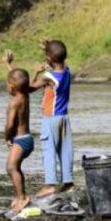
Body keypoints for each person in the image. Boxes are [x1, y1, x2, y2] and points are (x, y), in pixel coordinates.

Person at [31, 40, 73, 198]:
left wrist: (36, 72)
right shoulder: (68, 71)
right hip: (64, 117)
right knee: (65, 150)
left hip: (51, 118)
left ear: (48, 59)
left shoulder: (48, 76)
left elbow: (29, 87)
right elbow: (60, 60)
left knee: (49, 150)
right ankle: (68, 183)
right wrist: (49, 49)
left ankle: (49, 185)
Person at [1, 50, 35, 214]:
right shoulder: (25, 95)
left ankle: (22, 198)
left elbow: (9, 124)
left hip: (20, 140)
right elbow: (18, 79)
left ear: (12, 86)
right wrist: (8, 65)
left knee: (11, 167)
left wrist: (7, 137)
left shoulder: (14, 103)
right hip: (27, 139)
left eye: (8, 83)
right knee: (16, 167)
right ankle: (18, 196)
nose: (7, 85)